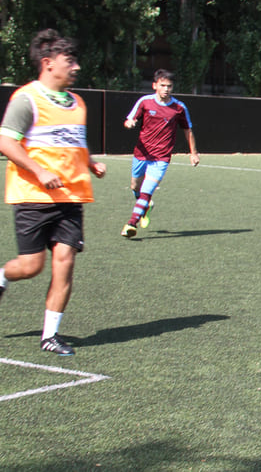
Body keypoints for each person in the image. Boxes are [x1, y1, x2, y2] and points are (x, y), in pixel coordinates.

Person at [0, 29, 107, 356]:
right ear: (48, 63)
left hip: (71, 199)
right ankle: (3, 275)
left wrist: (89, 162)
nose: (76, 67)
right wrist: (41, 171)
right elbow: (5, 142)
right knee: (31, 267)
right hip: (34, 197)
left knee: (65, 261)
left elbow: (71, 141)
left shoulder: (78, 102)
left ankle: (50, 335)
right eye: (69, 61)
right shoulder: (26, 99)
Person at [120, 69, 199, 238]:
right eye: (162, 85)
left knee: (147, 191)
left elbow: (188, 130)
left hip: (161, 157)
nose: (166, 89)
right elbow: (129, 120)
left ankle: (131, 223)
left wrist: (194, 153)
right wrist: (130, 123)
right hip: (141, 153)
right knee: (135, 187)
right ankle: (146, 206)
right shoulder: (145, 102)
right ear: (155, 85)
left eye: (169, 86)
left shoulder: (179, 107)